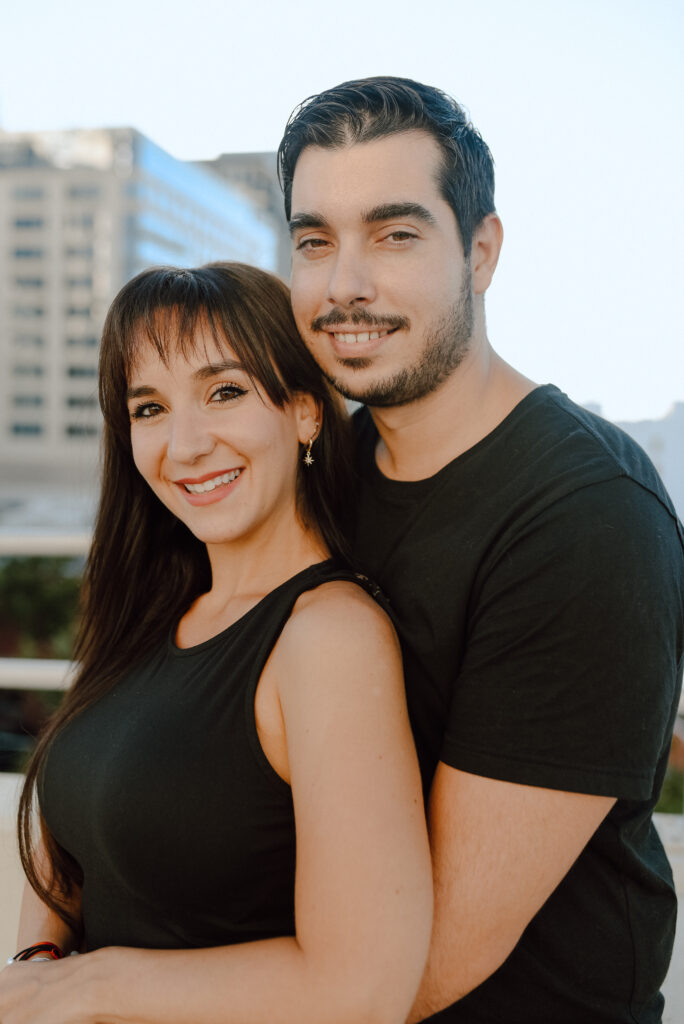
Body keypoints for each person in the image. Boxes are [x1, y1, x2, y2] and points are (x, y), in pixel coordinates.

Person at [279, 77, 684, 1022]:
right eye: (314, 240)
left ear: (482, 251)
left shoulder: (587, 518)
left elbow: (421, 968)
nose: (345, 284)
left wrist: (102, 988)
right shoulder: (326, 467)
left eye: (395, 234)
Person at [0, 262, 432, 1024]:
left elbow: (361, 990)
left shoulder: (329, 638)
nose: (187, 443)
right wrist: (38, 967)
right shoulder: (148, 612)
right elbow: (73, 843)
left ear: (303, 412)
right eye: (150, 407)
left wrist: (91, 985)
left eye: (224, 392)